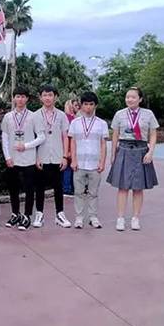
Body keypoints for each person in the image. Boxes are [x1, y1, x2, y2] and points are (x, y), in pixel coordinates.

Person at [107, 87, 158, 231]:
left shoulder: (148, 114)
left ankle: (135, 218)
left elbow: (153, 134)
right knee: (122, 187)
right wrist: (113, 154)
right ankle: (120, 218)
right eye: (127, 97)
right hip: (123, 150)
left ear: (140, 99)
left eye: (133, 97)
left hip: (141, 150)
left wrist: (151, 152)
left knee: (138, 187)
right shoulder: (119, 114)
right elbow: (115, 135)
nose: (129, 99)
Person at [1, 87, 45, 231]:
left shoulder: (34, 116)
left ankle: (27, 216)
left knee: (29, 189)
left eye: (23, 97)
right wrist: (7, 156)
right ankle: (15, 214)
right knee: (13, 188)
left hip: (29, 158)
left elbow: (41, 137)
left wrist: (26, 146)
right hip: (12, 159)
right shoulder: (8, 117)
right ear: (13, 98)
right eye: (17, 96)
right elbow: (4, 138)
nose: (20, 99)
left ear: (27, 99)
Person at [33, 85, 72, 228]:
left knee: (58, 186)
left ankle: (60, 214)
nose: (47, 98)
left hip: (57, 156)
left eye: (50, 95)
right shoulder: (35, 115)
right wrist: (36, 157)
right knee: (39, 186)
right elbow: (32, 137)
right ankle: (39, 214)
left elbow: (65, 136)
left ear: (55, 97)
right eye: (45, 95)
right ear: (40, 97)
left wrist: (65, 156)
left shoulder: (61, 115)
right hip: (41, 156)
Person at [68, 91, 108, 229]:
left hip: (95, 164)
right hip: (79, 163)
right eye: (85, 104)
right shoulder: (75, 123)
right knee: (78, 192)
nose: (88, 107)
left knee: (93, 193)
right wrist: (73, 160)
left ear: (95, 105)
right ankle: (79, 217)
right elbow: (72, 142)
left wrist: (102, 162)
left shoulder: (101, 123)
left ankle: (93, 217)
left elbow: (103, 144)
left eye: (91, 104)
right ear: (81, 105)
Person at [62, 99, 77, 196]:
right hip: (68, 147)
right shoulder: (69, 119)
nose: (77, 107)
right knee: (68, 169)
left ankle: (69, 187)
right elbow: (68, 136)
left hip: (70, 147)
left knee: (70, 169)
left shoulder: (72, 118)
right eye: (75, 105)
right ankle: (67, 188)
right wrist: (68, 150)